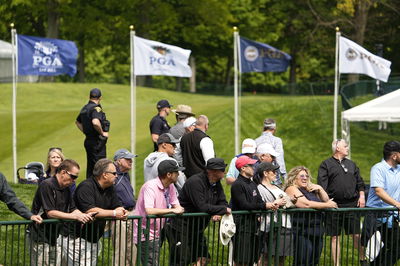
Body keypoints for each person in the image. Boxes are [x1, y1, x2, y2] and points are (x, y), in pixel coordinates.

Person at [28, 159, 94, 266]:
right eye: (73, 176)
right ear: (63, 172)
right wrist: (75, 217)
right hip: (40, 237)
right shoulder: (47, 185)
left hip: (56, 237)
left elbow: (73, 209)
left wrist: (83, 215)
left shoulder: (66, 189)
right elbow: (50, 212)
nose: (74, 180)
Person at [167, 158, 230, 265]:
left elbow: (223, 202)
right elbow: (202, 206)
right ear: (213, 171)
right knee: (182, 260)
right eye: (222, 170)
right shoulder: (195, 182)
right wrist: (223, 210)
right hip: (180, 227)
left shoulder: (216, 183)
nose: (225, 172)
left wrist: (218, 213)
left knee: (203, 257)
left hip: (197, 228)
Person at [317, 139, 366, 266]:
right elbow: (322, 186)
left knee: (356, 235)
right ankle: (336, 264)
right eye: (345, 146)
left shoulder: (352, 164)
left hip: (351, 205)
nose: (347, 148)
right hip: (334, 206)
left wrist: (362, 196)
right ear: (337, 148)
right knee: (334, 237)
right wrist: (327, 202)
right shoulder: (326, 164)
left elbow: (360, 182)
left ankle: (363, 259)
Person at [74, 158, 128, 265]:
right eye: (114, 173)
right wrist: (114, 213)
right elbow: (91, 210)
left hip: (95, 239)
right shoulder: (86, 186)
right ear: (104, 174)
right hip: (79, 239)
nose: (116, 176)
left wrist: (121, 211)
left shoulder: (110, 188)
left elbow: (117, 206)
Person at [133, 160, 184, 265]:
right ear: (169, 174)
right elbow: (149, 210)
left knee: (153, 262)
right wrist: (172, 210)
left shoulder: (170, 186)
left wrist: (177, 208)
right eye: (176, 172)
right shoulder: (150, 186)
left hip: (157, 231)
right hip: (145, 232)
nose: (179, 174)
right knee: (150, 263)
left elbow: (176, 204)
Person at [284, 166, 338, 266]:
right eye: (302, 176)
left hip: (317, 230)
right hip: (302, 231)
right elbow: (305, 204)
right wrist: (326, 205)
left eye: (307, 176)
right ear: (294, 178)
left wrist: (320, 189)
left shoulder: (310, 189)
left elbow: (327, 200)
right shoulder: (291, 188)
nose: (305, 178)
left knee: (314, 261)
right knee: (302, 261)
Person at [231, 156, 276, 266]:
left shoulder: (252, 184)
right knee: (242, 260)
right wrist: (265, 206)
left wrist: (265, 206)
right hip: (242, 228)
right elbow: (244, 205)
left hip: (253, 227)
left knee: (251, 260)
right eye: (251, 165)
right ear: (243, 168)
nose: (254, 168)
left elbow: (258, 200)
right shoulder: (237, 185)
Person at [364, 140, 400, 266]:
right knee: (367, 246)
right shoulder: (378, 168)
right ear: (394, 155)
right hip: (375, 214)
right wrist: (397, 204)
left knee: (396, 246)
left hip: (391, 215)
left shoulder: (399, 169)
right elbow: (379, 191)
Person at [255, 162, 293, 266]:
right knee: (266, 257)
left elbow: (286, 201)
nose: (276, 173)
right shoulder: (260, 188)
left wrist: (289, 200)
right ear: (265, 173)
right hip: (270, 225)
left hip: (285, 224)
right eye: (273, 171)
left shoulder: (277, 186)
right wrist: (278, 202)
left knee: (281, 258)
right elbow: (262, 204)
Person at [76, 88, 110, 179]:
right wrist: (102, 133)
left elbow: (77, 122)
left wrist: (86, 131)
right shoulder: (96, 108)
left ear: (89, 97)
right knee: (100, 167)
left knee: (91, 167)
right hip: (97, 142)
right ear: (100, 98)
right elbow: (95, 122)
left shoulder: (85, 108)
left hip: (88, 140)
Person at [112, 148, 137, 266]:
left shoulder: (125, 175)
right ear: (119, 161)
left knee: (132, 250)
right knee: (121, 251)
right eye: (128, 159)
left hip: (131, 214)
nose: (131, 161)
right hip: (120, 216)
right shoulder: (113, 175)